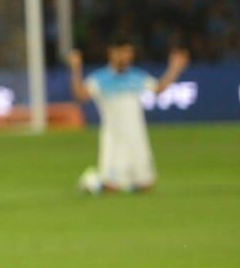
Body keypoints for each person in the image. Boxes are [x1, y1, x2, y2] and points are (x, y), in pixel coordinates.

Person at [69, 40, 190, 194]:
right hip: (114, 138)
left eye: (128, 52)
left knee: (146, 187)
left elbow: (158, 88)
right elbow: (80, 95)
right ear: (111, 52)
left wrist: (175, 69)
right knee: (111, 189)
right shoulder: (101, 78)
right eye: (121, 51)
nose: (125, 56)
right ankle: (90, 181)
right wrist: (76, 69)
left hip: (136, 138)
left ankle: (119, 182)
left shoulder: (136, 77)